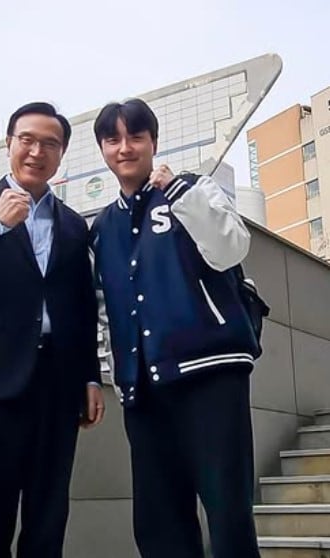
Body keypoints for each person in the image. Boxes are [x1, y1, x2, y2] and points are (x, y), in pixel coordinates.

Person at [0, 101, 104, 558]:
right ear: (8, 143)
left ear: (61, 154)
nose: (36, 152)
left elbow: (82, 308)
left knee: (48, 518)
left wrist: (91, 376)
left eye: (50, 143)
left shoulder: (73, 225)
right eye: (27, 140)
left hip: (58, 385)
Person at [90, 98, 261, 558]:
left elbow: (231, 249)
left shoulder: (192, 189)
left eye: (136, 137)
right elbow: (104, 308)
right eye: (113, 139)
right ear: (103, 149)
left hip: (210, 373)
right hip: (143, 388)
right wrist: (113, 373)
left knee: (227, 511)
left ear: (154, 142)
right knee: (158, 521)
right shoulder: (102, 227)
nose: (125, 148)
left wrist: (181, 192)